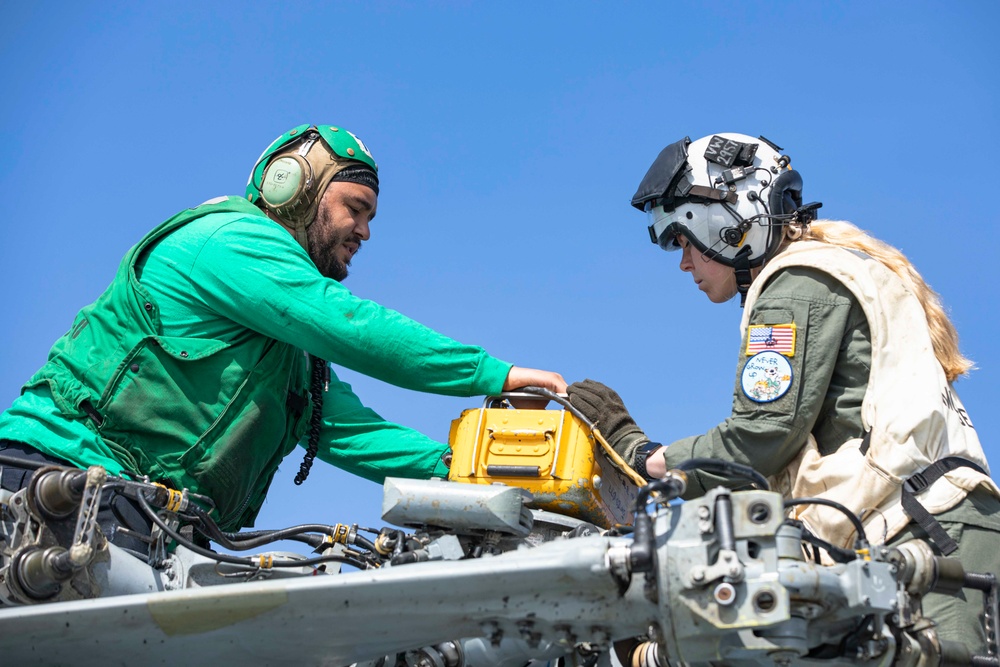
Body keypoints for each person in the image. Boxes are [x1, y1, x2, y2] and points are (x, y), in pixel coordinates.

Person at [0, 123, 565, 550]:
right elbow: (347, 324)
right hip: (56, 478)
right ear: (292, 187)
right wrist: (494, 375)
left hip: (148, 517)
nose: (365, 232)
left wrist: (490, 471)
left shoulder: (287, 357)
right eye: (356, 208)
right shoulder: (229, 239)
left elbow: (347, 431)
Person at [568, 133, 1000, 655]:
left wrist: (645, 457)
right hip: (938, 530)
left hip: (924, 536)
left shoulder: (794, 282)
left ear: (728, 221)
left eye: (683, 239)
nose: (683, 263)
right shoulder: (834, 266)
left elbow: (763, 434)